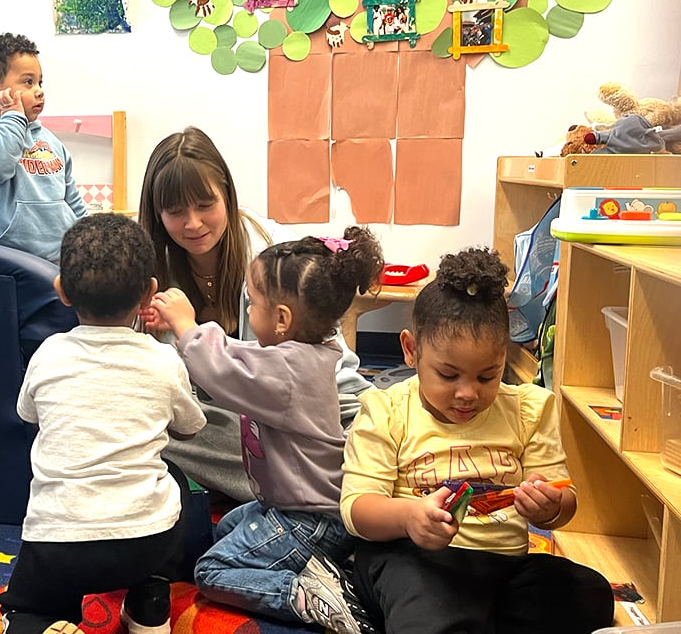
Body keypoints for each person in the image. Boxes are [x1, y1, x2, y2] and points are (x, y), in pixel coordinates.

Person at [340, 247, 615, 634]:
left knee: (589, 594)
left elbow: (564, 501)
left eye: (488, 376)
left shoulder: (528, 409)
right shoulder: (385, 410)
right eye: (449, 375)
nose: (468, 393)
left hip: (502, 568)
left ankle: (472, 619)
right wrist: (409, 518)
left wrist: (549, 508)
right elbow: (357, 510)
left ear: (505, 358)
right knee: (425, 603)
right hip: (412, 557)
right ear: (411, 350)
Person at [151, 227, 385, 634]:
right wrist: (177, 330)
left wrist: (187, 325)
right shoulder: (302, 353)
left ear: (282, 319)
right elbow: (239, 354)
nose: (249, 312)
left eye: (252, 303)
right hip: (293, 505)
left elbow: (222, 367)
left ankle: (310, 594)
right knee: (225, 527)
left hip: (310, 518)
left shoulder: (288, 370)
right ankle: (325, 566)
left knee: (212, 569)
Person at [137, 127, 373, 504]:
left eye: (205, 205)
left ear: (227, 196)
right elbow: (153, 390)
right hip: (224, 423)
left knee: (371, 429)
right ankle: (319, 488)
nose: (193, 223)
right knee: (149, 430)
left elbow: (330, 370)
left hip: (301, 414)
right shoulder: (149, 269)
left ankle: (320, 484)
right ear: (157, 212)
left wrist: (373, 419)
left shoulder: (273, 258)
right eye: (176, 211)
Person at [0, 214, 207, 634]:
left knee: (24, 605)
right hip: (145, 542)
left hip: (57, 543)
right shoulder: (162, 360)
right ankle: (150, 601)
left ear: (62, 292)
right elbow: (189, 428)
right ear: (149, 292)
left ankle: (36, 622)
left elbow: (27, 415)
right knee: (176, 481)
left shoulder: (48, 354)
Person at [0, 32, 87, 263]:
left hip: (55, 260)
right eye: (28, 82)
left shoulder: (50, 141)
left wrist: (89, 235)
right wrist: (13, 117)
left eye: (40, 82)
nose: (39, 90)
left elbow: (71, 197)